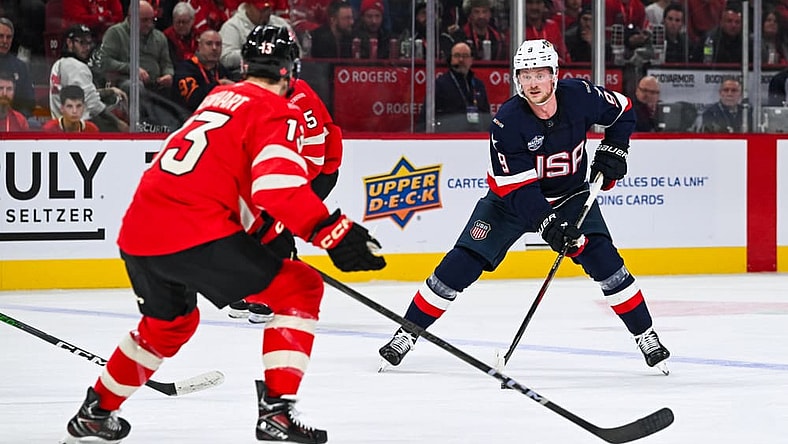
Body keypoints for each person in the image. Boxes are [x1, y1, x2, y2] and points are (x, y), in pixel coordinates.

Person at [59, 25, 385, 444]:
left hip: (140, 229)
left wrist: (263, 227)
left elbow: (230, 180)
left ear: (245, 65)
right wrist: (332, 232)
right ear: (290, 73)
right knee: (299, 287)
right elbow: (276, 187)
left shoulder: (217, 98)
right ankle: (278, 412)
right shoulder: (276, 109)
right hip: (193, 229)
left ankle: (96, 412)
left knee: (168, 325)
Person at [378, 39, 670, 375]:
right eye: (525, 75)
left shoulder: (582, 96)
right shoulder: (507, 122)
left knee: (606, 262)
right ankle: (407, 332)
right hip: (509, 203)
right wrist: (550, 226)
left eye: (540, 74)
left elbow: (624, 111)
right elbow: (519, 189)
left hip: (571, 196)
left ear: (554, 75)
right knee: (460, 264)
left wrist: (615, 150)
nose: (532, 83)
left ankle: (646, 335)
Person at [228, 56, 346, 323]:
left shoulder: (299, 96)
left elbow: (316, 158)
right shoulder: (253, 95)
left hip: (317, 173)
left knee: (274, 221)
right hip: (280, 170)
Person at [50, 24, 129, 132]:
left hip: (61, 125)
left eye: (89, 43)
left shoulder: (59, 64)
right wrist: (118, 123)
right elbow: (93, 104)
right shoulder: (77, 67)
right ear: (69, 43)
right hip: (77, 129)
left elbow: (80, 94)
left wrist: (109, 91)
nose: (86, 47)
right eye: (82, 42)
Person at [419, 41, 491, 132]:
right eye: (457, 56)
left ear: (471, 60)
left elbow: (486, 115)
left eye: (465, 56)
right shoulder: (440, 84)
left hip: (475, 137)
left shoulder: (478, 85)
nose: (461, 59)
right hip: (448, 137)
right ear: (451, 59)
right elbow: (425, 117)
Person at [219, 0, 294, 80]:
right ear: (248, 6)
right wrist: (254, 52)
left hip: (279, 75)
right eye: (261, 10)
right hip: (246, 76)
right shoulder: (233, 26)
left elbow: (297, 52)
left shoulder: (281, 25)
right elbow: (225, 58)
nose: (266, 13)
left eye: (268, 9)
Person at [173, 29, 233, 111]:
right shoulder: (186, 68)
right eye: (209, 44)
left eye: (218, 44)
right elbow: (192, 99)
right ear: (199, 46)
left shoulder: (221, 69)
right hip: (188, 117)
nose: (214, 48)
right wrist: (219, 84)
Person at [0, 18, 34, 118]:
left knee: (33, 124)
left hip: (15, 120)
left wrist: (17, 118)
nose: (5, 41)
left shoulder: (20, 67)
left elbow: (29, 101)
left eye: (9, 37)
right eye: (1, 36)